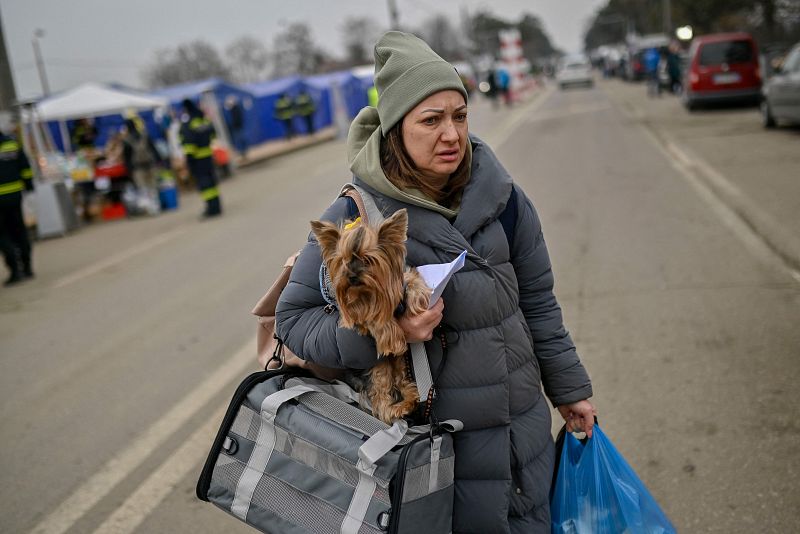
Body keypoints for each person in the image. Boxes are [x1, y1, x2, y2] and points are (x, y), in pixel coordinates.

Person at [275, 31, 595, 533]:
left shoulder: (505, 199)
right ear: (396, 130)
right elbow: (293, 322)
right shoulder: (355, 218)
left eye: (459, 116)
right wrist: (390, 327)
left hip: (520, 441)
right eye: (431, 120)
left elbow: (538, 302)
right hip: (427, 456)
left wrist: (570, 389)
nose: (451, 134)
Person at [0, 128, 35, 286]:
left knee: (2, 235)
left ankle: (15, 270)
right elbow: (26, 167)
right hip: (15, 196)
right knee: (20, 231)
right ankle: (27, 267)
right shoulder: (12, 144)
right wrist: (28, 185)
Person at [180, 99, 222, 218]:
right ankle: (217, 206)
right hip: (208, 155)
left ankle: (211, 209)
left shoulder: (189, 123)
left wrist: (189, 160)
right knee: (212, 182)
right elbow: (213, 134)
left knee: (204, 185)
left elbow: (188, 143)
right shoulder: (204, 120)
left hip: (198, 159)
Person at [122, 117, 161, 215]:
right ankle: (155, 207)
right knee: (153, 187)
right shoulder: (145, 135)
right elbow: (154, 149)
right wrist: (159, 161)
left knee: (143, 189)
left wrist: (129, 171)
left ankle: (147, 209)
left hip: (137, 168)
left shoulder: (126, 140)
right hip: (150, 164)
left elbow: (126, 158)